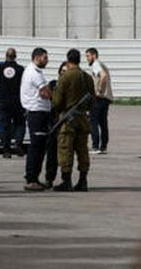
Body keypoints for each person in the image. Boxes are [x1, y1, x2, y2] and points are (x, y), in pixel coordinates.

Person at [52, 48, 94, 192]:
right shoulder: (87, 77)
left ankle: (67, 181)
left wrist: (58, 110)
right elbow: (92, 101)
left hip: (67, 119)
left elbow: (57, 102)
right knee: (82, 150)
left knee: (65, 149)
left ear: (68, 60)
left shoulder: (65, 77)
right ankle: (83, 180)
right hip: (82, 119)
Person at [20, 47, 52, 191]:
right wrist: (53, 93)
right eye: (45, 58)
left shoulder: (34, 71)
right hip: (37, 113)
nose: (47, 61)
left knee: (39, 147)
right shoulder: (34, 73)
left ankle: (34, 178)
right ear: (37, 57)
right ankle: (31, 179)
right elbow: (45, 92)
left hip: (38, 112)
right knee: (36, 148)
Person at [0, 48, 25, 158]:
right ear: (15, 56)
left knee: (4, 126)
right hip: (17, 101)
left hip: (2, 101)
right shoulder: (20, 69)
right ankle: (18, 143)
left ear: (6, 56)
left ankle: (6, 151)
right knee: (20, 123)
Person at [86, 47, 113, 154]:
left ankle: (95, 146)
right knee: (103, 123)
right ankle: (103, 146)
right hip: (106, 98)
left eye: (88, 56)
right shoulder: (102, 64)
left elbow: (103, 76)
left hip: (99, 98)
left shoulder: (96, 64)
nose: (87, 58)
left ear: (94, 55)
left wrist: (99, 89)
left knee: (93, 122)